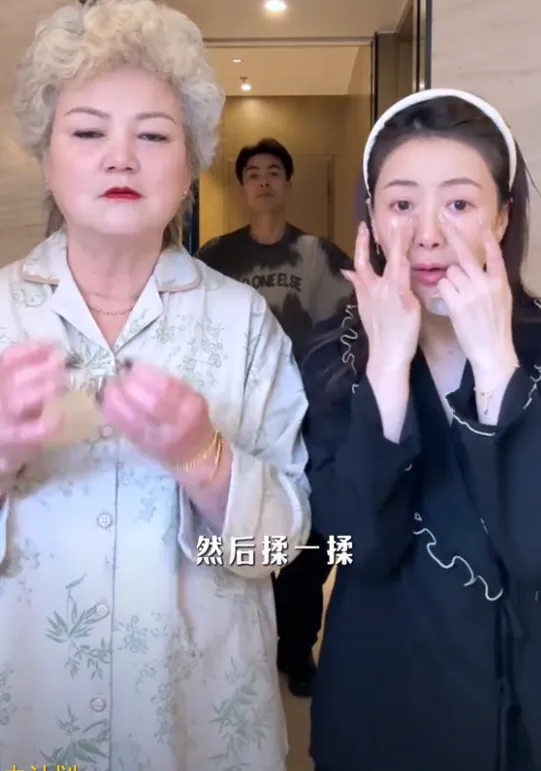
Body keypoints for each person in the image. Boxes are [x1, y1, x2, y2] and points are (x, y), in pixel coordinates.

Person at [0, 1, 311, 769]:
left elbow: (281, 545)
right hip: (30, 718)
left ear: (190, 163)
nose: (120, 158)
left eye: (152, 135)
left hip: (199, 726)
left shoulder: (243, 323)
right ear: (46, 156)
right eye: (87, 132)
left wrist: (206, 459)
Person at [303, 88, 541, 771]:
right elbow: (356, 546)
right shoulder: (329, 361)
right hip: (385, 702)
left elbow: (533, 552)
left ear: (502, 217)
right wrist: (385, 367)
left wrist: (494, 362)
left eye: (459, 204)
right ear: (373, 222)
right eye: (402, 204)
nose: (428, 234)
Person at [198, 137, 350, 697]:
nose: (263, 181)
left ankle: (295, 646)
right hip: (238, 416)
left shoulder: (320, 255)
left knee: (314, 536)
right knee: (239, 523)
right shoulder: (214, 257)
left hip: (312, 413)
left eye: (273, 172)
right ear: (242, 186)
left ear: (287, 183)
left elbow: (351, 330)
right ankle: (243, 648)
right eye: (253, 173)